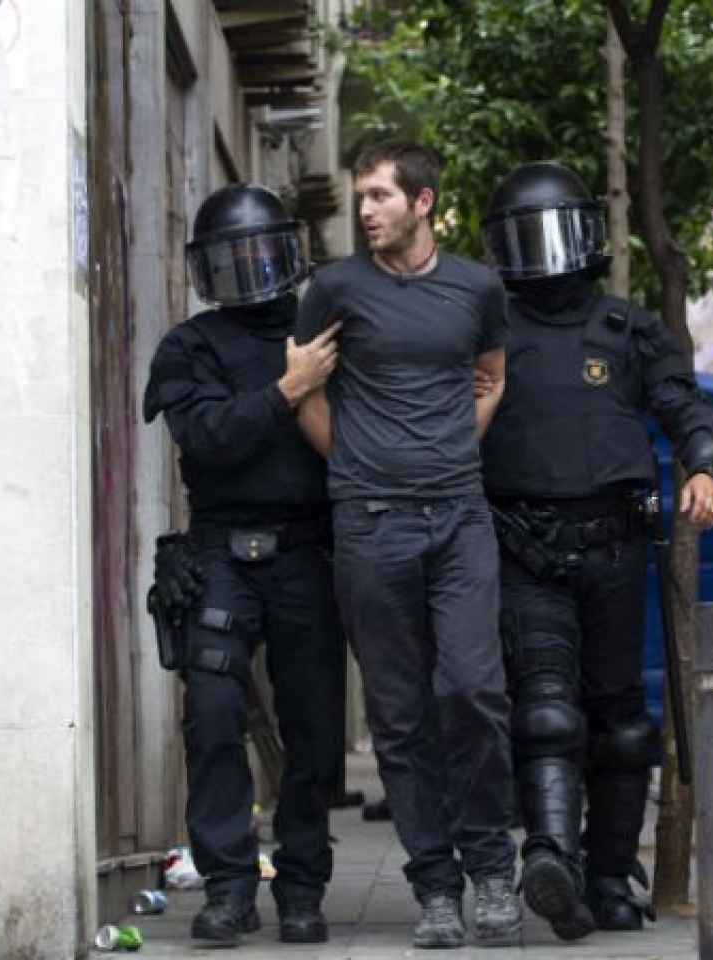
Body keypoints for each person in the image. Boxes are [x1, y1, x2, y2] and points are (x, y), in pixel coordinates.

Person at [477, 162, 713, 940]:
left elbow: (680, 402)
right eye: (526, 238)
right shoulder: (488, 333)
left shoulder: (628, 330)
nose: (544, 254)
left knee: (622, 724)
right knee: (548, 713)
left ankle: (613, 877)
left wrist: (707, 463)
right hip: (524, 545)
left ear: (587, 237)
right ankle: (551, 856)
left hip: (616, 544)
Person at [293, 141, 521, 950]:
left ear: (423, 203)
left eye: (381, 196)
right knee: (397, 713)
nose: (365, 211)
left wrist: (456, 444)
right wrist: (353, 463)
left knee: (471, 688)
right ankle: (437, 889)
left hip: (459, 514)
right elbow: (304, 387)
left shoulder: (477, 288)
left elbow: (491, 376)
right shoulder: (333, 289)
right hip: (370, 520)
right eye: (362, 197)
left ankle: (493, 869)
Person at [142, 183, 347, 947]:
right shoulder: (190, 347)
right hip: (221, 552)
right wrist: (290, 389)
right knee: (215, 719)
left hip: (308, 553)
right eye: (232, 259)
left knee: (315, 732)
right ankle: (228, 886)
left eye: (262, 253)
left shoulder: (325, 331)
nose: (251, 270)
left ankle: (302, 885)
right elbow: (209, 439)